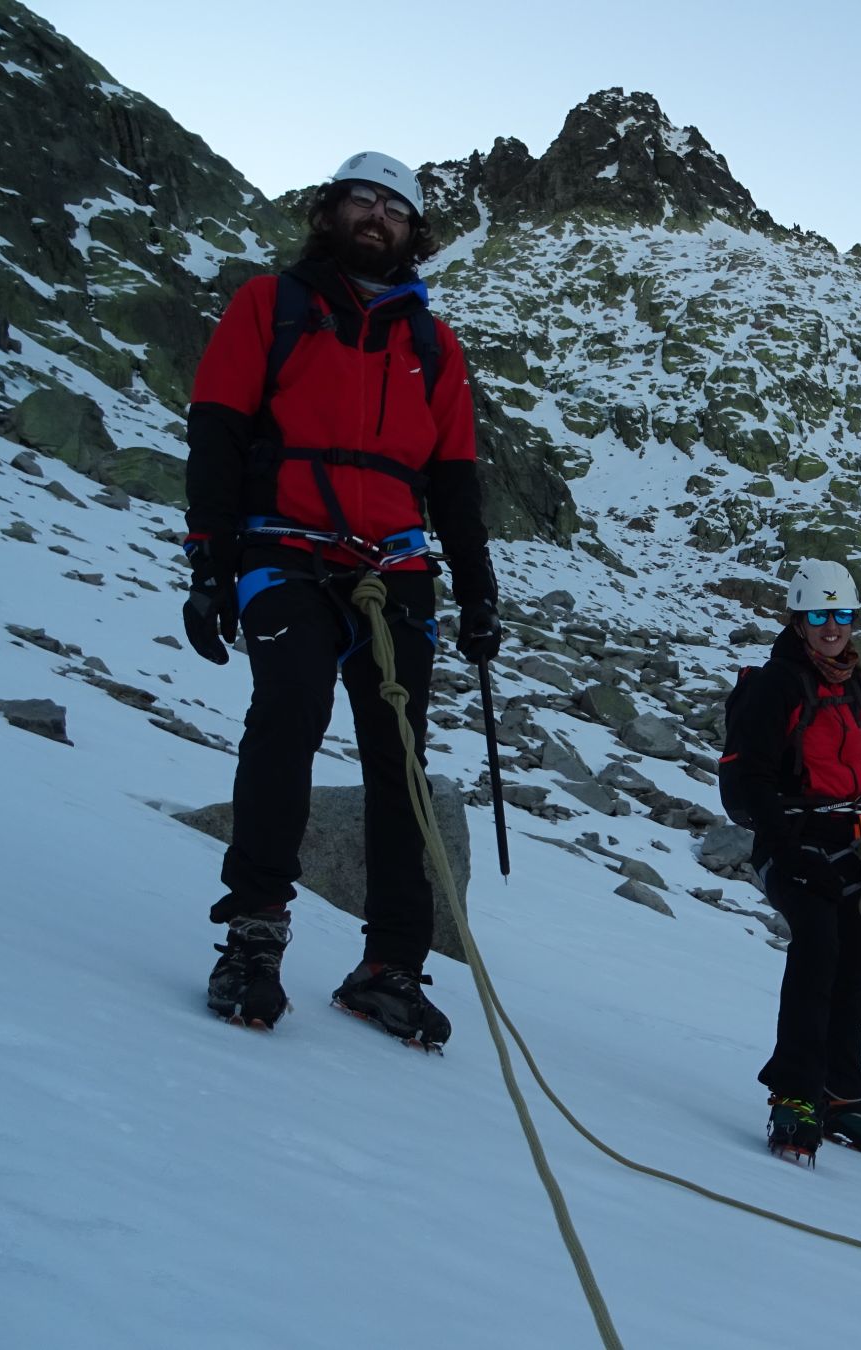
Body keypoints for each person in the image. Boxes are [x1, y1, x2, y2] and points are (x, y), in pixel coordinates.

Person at [183, 151, 502, 1048]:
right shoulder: (270, 305)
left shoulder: (434, 345)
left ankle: (390, 965)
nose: (377, 216)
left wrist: (477, 595)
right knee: (288, 710)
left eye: (395, 208)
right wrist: (208, 564)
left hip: (394, 571)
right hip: (283, 550)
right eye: (363, 199)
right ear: (331, 211)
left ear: (413, 231)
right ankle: (254, 934)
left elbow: (455, 483)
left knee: (398, 757)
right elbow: (218, 428)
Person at [721, 560, 861, 1161]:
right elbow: (753, 777)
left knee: (851, 964)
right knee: (818, 949)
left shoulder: (856, 683)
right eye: (820, 615)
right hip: (793, 842)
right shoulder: (777, 684)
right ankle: (794, 1096)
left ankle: (842, 1097)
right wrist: (793, 851)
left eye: (842, 615)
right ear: (798, 620)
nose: (833, 627)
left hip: (852, 841)